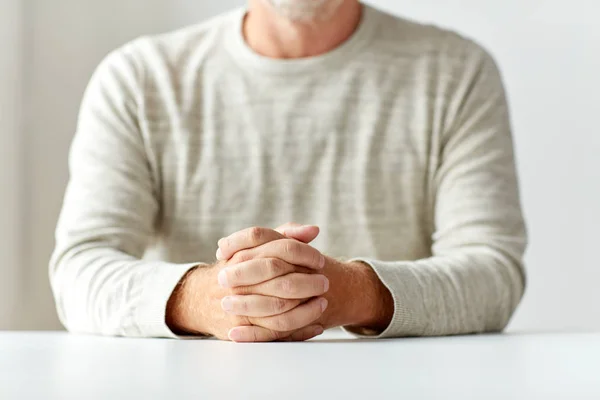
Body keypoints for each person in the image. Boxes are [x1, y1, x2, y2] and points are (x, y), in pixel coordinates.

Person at [50, 0, 527, 342]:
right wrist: (209, 297)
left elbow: (492, 271)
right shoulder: (139, 78)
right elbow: (79, 269)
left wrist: (351, 292)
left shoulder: (457, 72)